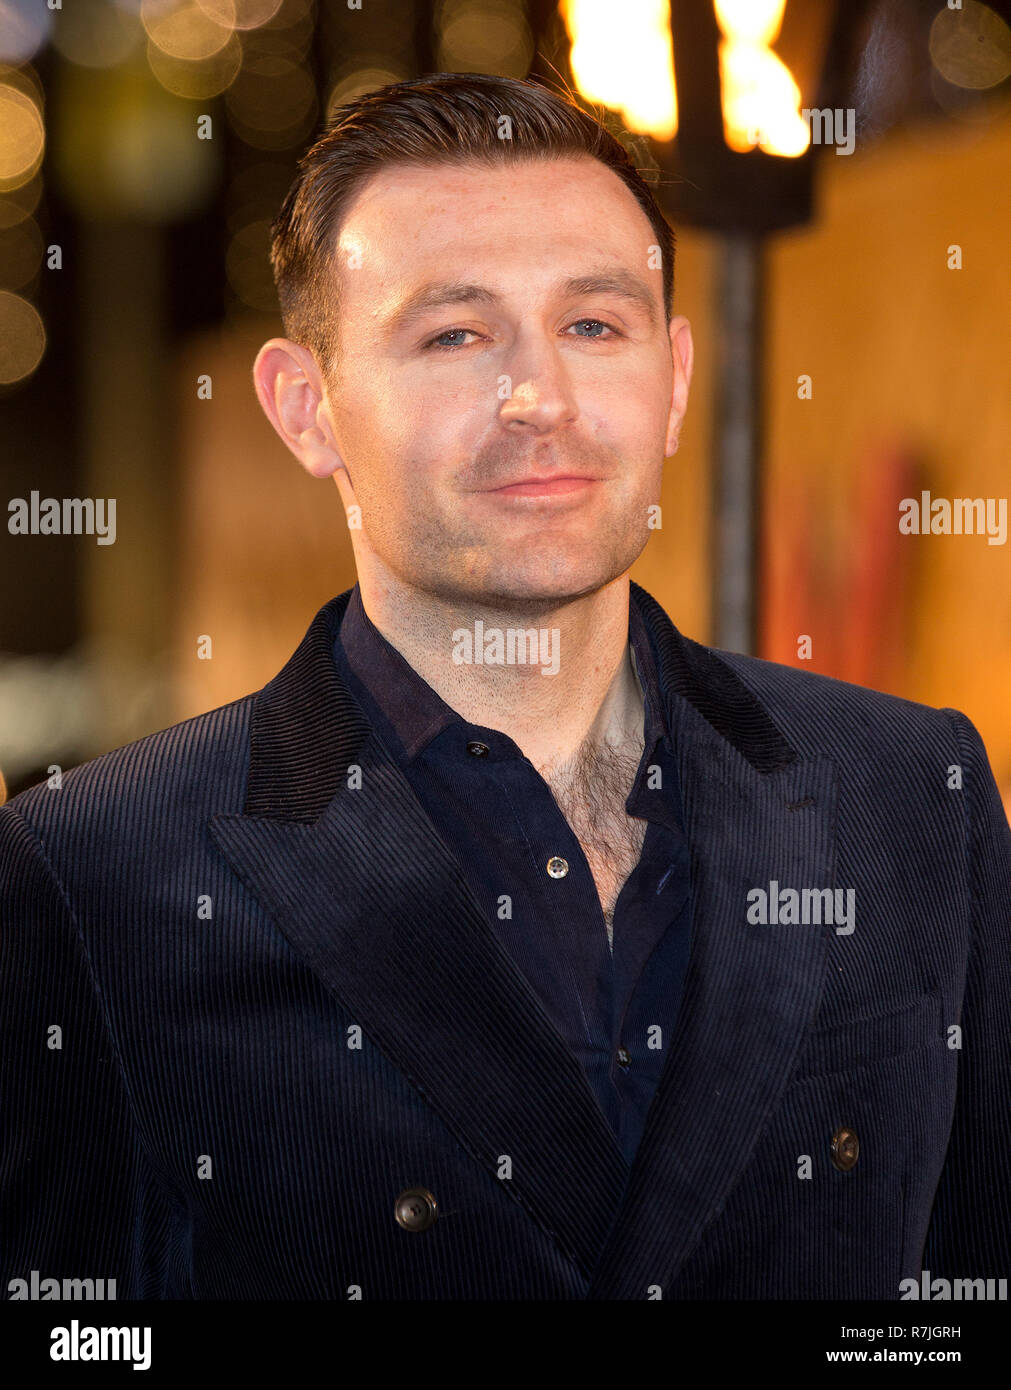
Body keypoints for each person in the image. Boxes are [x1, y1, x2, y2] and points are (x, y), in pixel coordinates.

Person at [2, 72, 1008, 1302]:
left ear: (677, 376)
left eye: (595, 325)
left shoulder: (914, 793)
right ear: (307, 408)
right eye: (455, 334)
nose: (540, 398)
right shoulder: (92, 873)